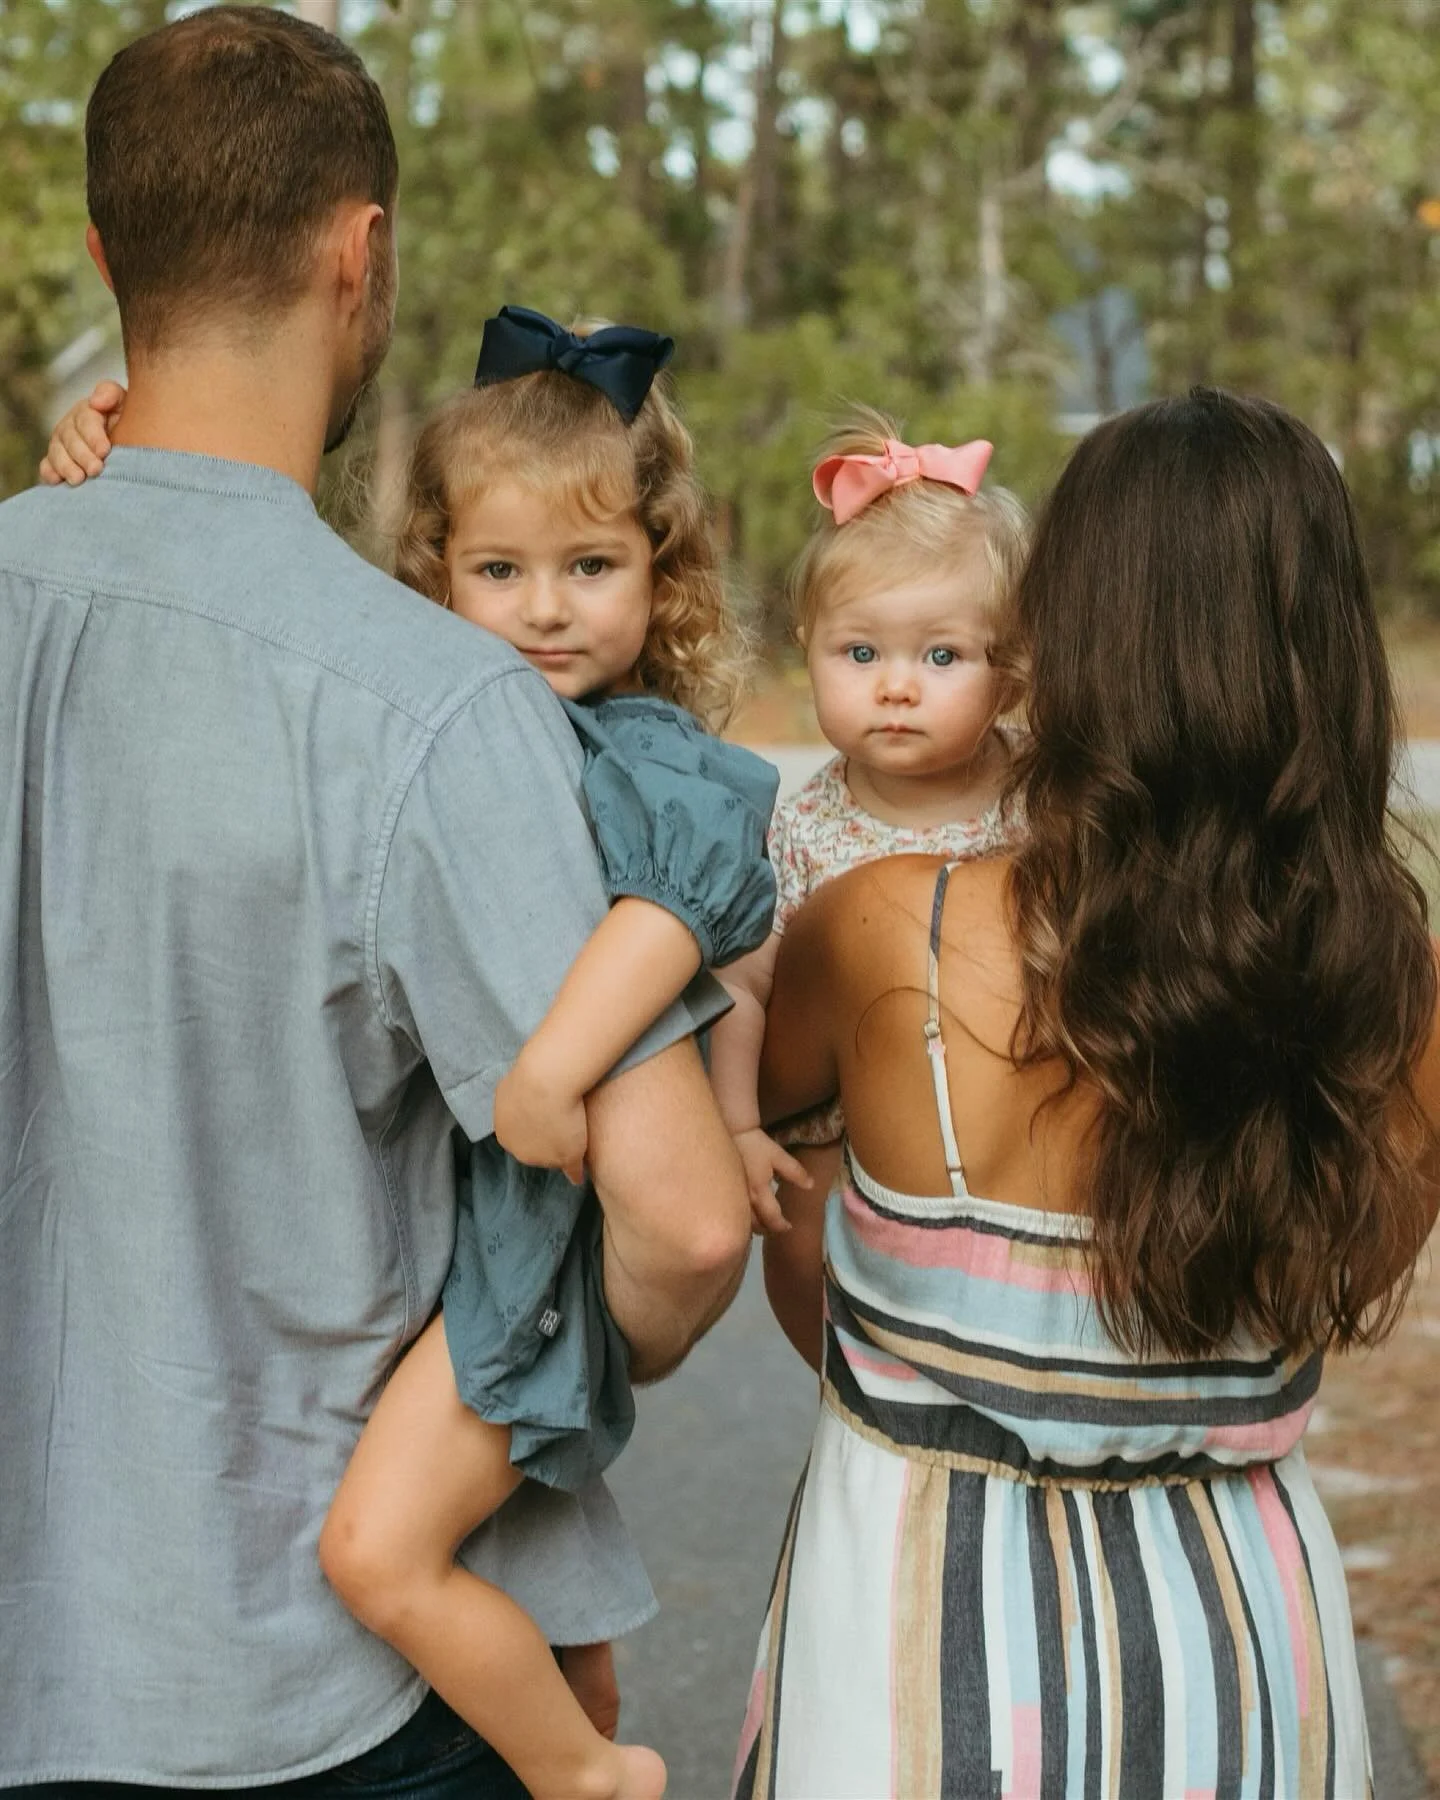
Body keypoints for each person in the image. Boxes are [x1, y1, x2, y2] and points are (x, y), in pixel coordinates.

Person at [0, 10, 751, 1796]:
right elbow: (688, 1223)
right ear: (365, 254)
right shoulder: (433, 706)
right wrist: (558, 1372)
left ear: (111, 256)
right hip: (323, 1695)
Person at [735, 390, 1440, 1796]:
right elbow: (1340, 1283)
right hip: (1244, 1635)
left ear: (1061, 640)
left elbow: (796, 1254)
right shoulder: (1395, 985)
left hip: (910, 1629)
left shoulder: (889, 928)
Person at [703, 408, 1031, 1360]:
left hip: (1004, 1142)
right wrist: (734, 1124)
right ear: (808, 650)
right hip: (837, 1140)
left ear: (1007, 674)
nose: (897, 686)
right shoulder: (802, 825)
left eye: (942, 656)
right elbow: (743, 981)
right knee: (803, 1250)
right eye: (861, 653)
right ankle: (853, 1405)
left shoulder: (1039, 805)